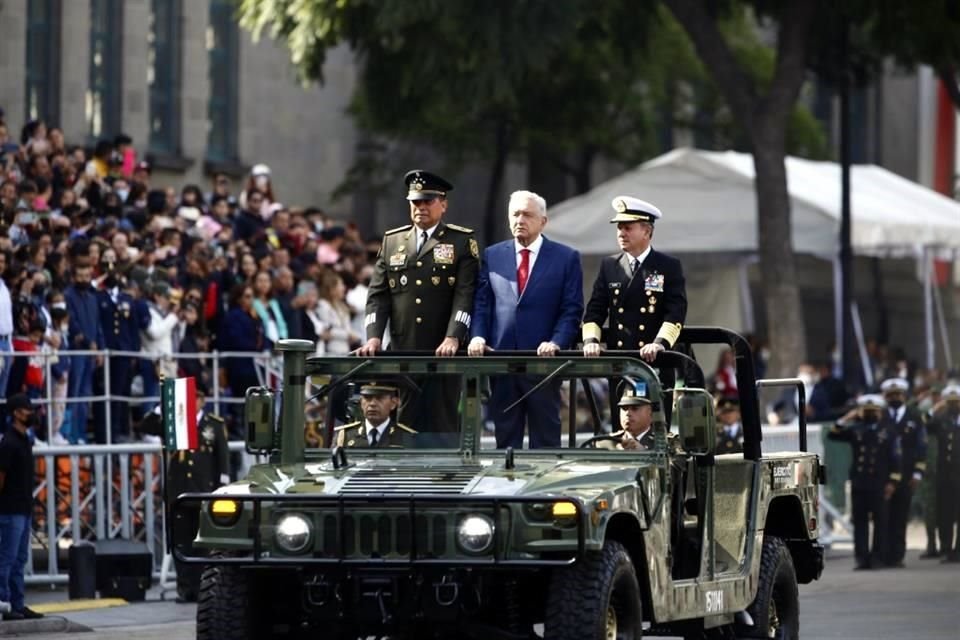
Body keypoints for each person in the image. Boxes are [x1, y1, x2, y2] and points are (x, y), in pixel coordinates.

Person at [358, 171, 478, 438]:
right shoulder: (393, 241)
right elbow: (378, 295)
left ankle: (445, 479)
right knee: (402, 427)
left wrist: (453, 337)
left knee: (443, 425)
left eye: (428, 201)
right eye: (416, 202)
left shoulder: (460, 241)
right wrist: (374, 337)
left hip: (443, 353)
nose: (421, 207)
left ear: (443, 204)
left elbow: (465, 294)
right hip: (403, 351)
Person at [468, 190, 583, 448]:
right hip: (502, 361)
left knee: (546, 441)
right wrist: (478, 335)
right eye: (515, 214)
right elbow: (483, 303)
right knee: (505, 441)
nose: (520, 220)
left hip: (543, 363)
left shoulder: (566, 258)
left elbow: (571, 309)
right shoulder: (492, 255)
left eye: (527, 215)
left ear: (543, 221)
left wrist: (556, 342)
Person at [582, 196, 687, 365]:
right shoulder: (609, 265)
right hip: (619, 360)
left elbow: (676, 312)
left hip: (654, 359)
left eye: (628, 228)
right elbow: (595, 310)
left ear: (646, 231)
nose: (621, 233)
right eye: (619, 228)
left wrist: (660, 344)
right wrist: (591, 341)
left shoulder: (668, 266)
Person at [828, 394, 901, 570]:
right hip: (859, 483)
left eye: (873, 411)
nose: (869, 414)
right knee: (860, 523)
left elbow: (896, 459)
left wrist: (893, 482)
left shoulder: (888, 432)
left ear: (880, 412)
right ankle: (862, 559)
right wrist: (848, 417)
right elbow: (833, 434)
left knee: (880, 522)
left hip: (879, 484)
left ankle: (877, 558)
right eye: (866, 411)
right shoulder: (856, 429)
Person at [0, 394, 44, 620]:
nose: (31, 414)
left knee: (19, 560)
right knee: (7, 559)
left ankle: (17, 604)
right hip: (10, 510)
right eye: (27, 410)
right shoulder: (9, 442)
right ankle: (4, 605)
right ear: (16, 413)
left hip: (23, 509)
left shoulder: (24, 439)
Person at [879, 377, 927, 567]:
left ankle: (897, 556)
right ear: (885, 397)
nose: (894, 398)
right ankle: (883, 554)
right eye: (891, 395)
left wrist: (918, 473)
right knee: (884, 517)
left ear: (904, 396)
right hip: (885, 475)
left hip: (906, 474)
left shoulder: (914, 417)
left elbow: (921, 446)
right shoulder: (881, 416)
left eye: (898, 394)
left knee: (900, 516)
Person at [926, 384, 960, 563]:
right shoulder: (941, 418)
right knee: (945, 514)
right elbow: (925, 422)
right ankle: (946, 548)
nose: (954, 406)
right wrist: (936, 407)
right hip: (945, 474)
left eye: (957, 402)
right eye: (951, 402)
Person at [334, 383, 417, 448]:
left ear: (393, 403)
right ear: (361, 402)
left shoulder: (407, 437)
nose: (372, 404)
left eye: (380, 398)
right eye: (367, 398)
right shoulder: (345, 435)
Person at [599, 386, 656, 451]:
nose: (628, 413)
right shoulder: (605, 444)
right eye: (624, 408)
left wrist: (644, 452)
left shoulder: (665, 444)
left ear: (651, 414)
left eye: (635, 408)